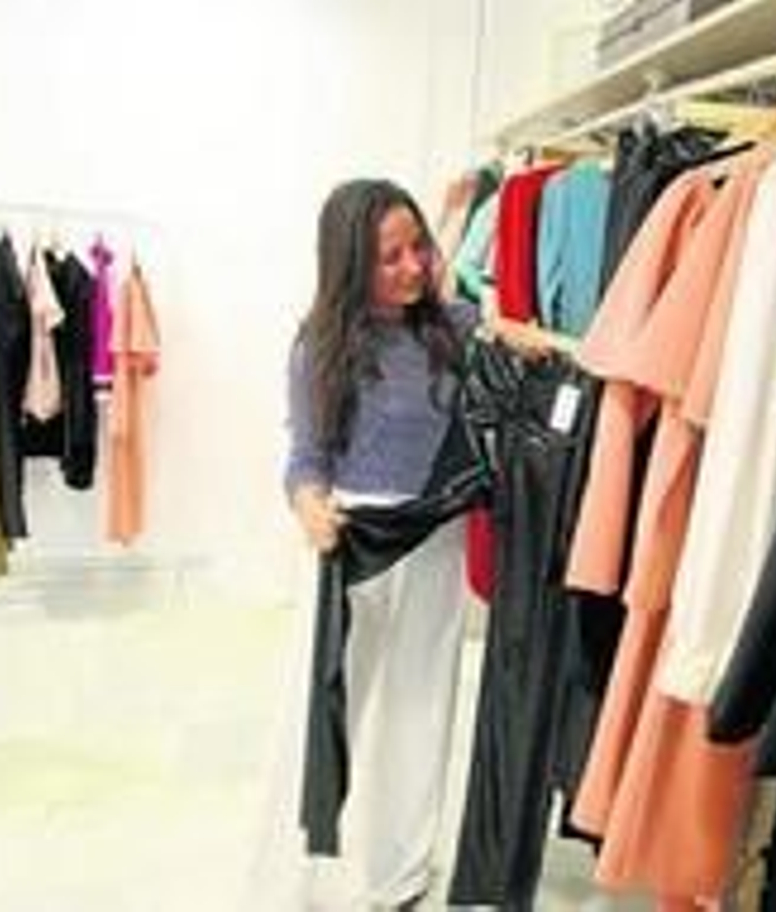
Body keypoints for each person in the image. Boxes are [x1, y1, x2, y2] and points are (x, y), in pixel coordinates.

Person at [283, 178, 479, 910]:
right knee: (326, 716)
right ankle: (304, 875)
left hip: (435, 537)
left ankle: (401, 877)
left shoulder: (455, 327)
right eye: (389, 258)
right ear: (348, 264)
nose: (412, 267)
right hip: (354, 544)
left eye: (418, 248)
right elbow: (305, 459)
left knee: (422, 707)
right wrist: (309, 507)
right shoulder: (321, 347)